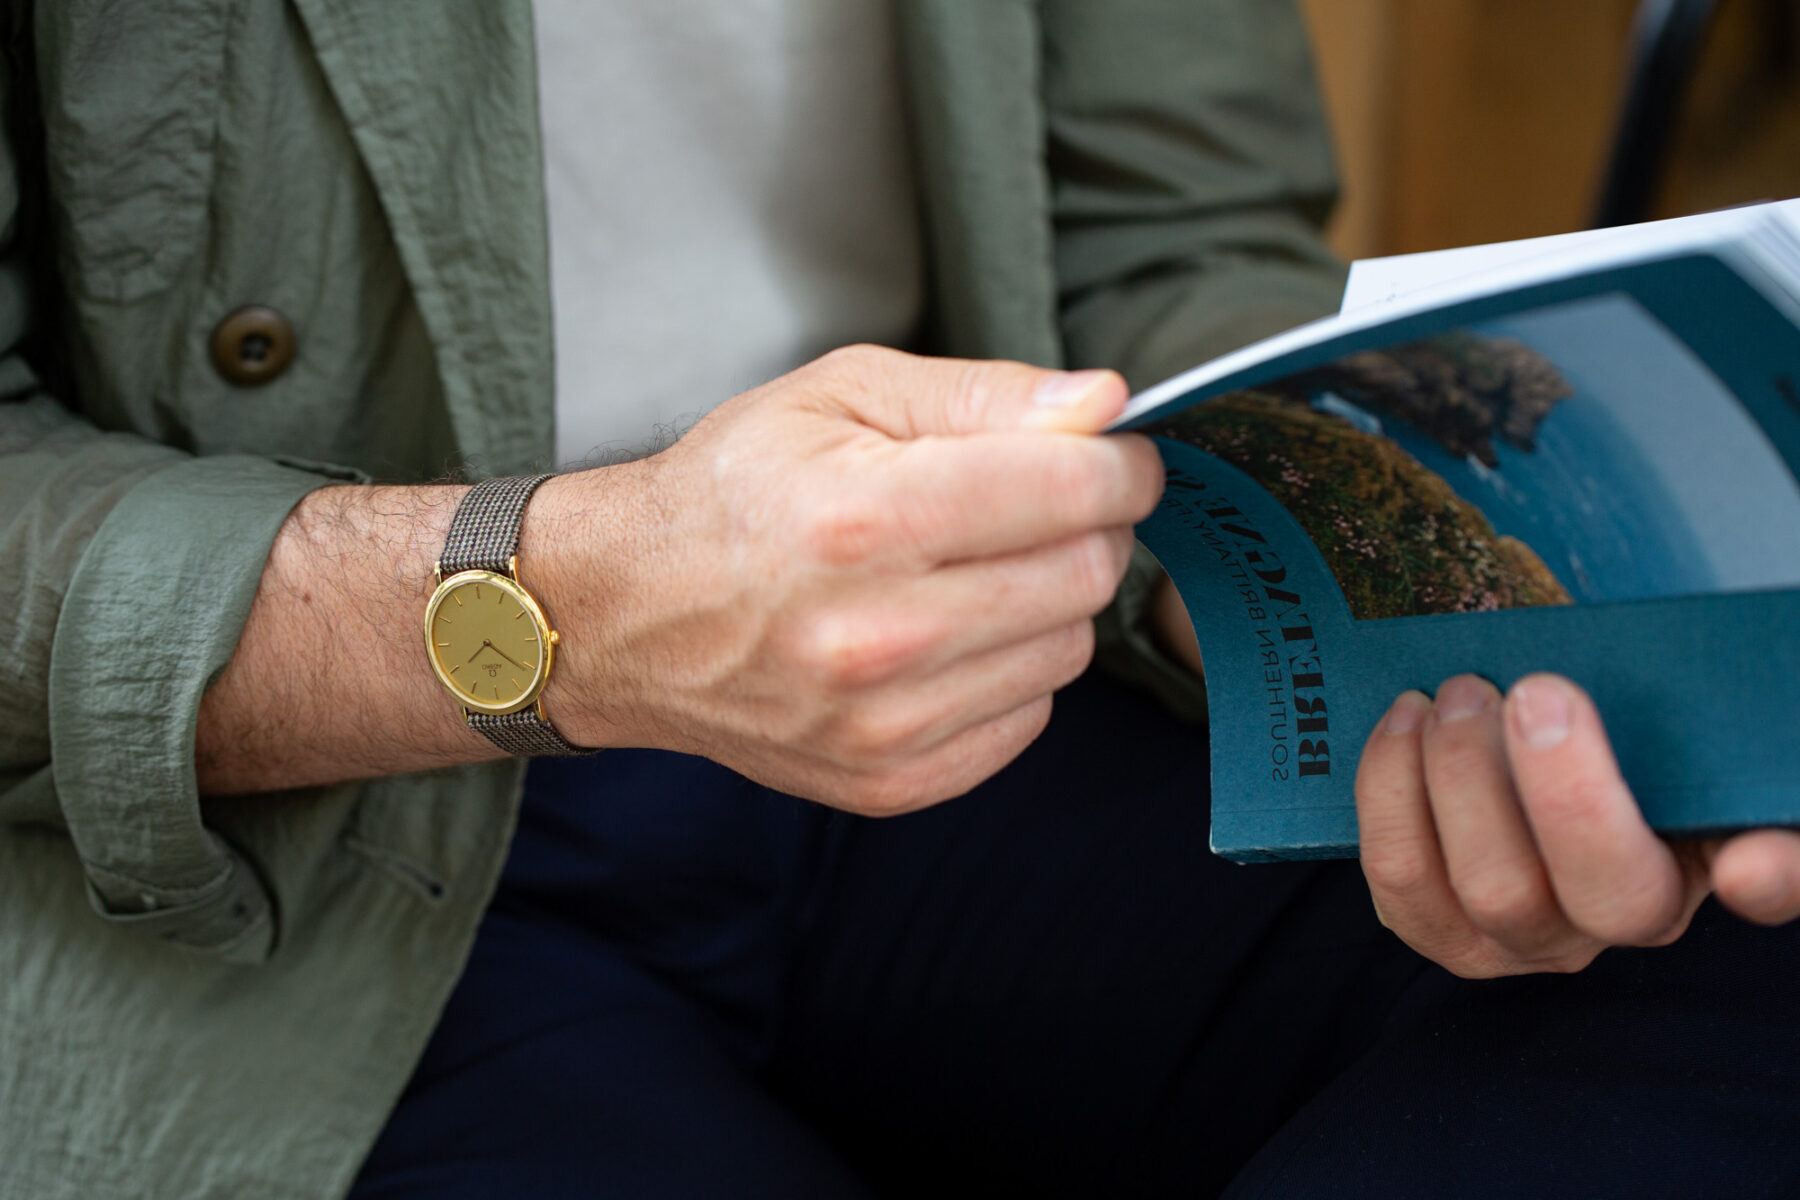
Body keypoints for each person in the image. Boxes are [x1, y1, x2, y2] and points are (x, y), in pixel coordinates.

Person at [3, 2, 1796, 1197]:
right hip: (254, 833)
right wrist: (577, 602)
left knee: (1737, 948)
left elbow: (1169, 253)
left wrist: (1322, 590)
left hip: (986, 662)